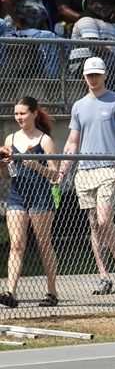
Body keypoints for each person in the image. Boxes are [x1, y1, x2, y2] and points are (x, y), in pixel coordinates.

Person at [58, 56, 115, 294]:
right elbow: (72, 141)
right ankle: (103, 276)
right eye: (89, 74)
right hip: (84, 169)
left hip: (109, 168)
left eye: (97, 74)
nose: (93, 78)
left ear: (105, 74)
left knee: (104, 220)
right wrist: (62, 171)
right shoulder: (79, 106)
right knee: (94, 224)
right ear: (84, 76)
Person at [0, 97, 59, 308]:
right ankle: (10, 292)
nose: (19, 117)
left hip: (41, 197)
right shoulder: (10, 139)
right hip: (17, 195)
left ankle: (51, 291)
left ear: (34, 114)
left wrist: (36, 166)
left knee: (43, 244)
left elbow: (55, 175)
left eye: (23, 113)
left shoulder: (44, 140)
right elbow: (7, 176)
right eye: (16, 114)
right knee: (16, 244)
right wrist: (3, 164)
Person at [71, 0, 115, 92]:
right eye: (102, 3)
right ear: (91, 4)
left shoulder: (107, 23)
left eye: (109, 4)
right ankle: (108, 97)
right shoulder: (86, 18)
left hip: (106, 60)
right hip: (84, 62)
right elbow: (95, 46)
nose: (106, 7)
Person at [1, 0, 58, 75]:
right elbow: (5, 0)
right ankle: (52, 75)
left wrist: (49, 32)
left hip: (34, 32)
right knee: (49, 37)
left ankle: (63, 74)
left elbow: (41, 18)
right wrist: (17, 21)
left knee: (63, 41)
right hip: (17, 31)